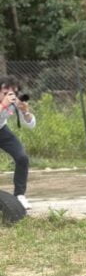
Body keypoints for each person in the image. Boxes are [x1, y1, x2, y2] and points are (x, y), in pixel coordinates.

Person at [0, 76, 35, 209]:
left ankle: (19, 195)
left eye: (12, 93)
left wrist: (25, 111)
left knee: (22, 157)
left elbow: (30, 125)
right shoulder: (6, 103)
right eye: (5, 93)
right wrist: (3, 105)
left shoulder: (13, 102)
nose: (9, 96)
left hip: (2, 130)